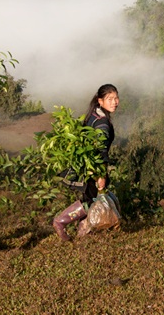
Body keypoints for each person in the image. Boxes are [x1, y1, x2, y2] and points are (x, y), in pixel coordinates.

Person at [52, 84, 119, 241]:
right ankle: (60, 222)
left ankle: (82, 238)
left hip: (85, 167)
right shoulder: (102, 123)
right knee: (90, 202)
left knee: (91, 201)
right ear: (100, 100)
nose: (114, 102)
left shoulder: (93, 115)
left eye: (116, 98)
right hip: (93, 170)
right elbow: (101, 152)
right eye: (110, 99)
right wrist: (101, 176)